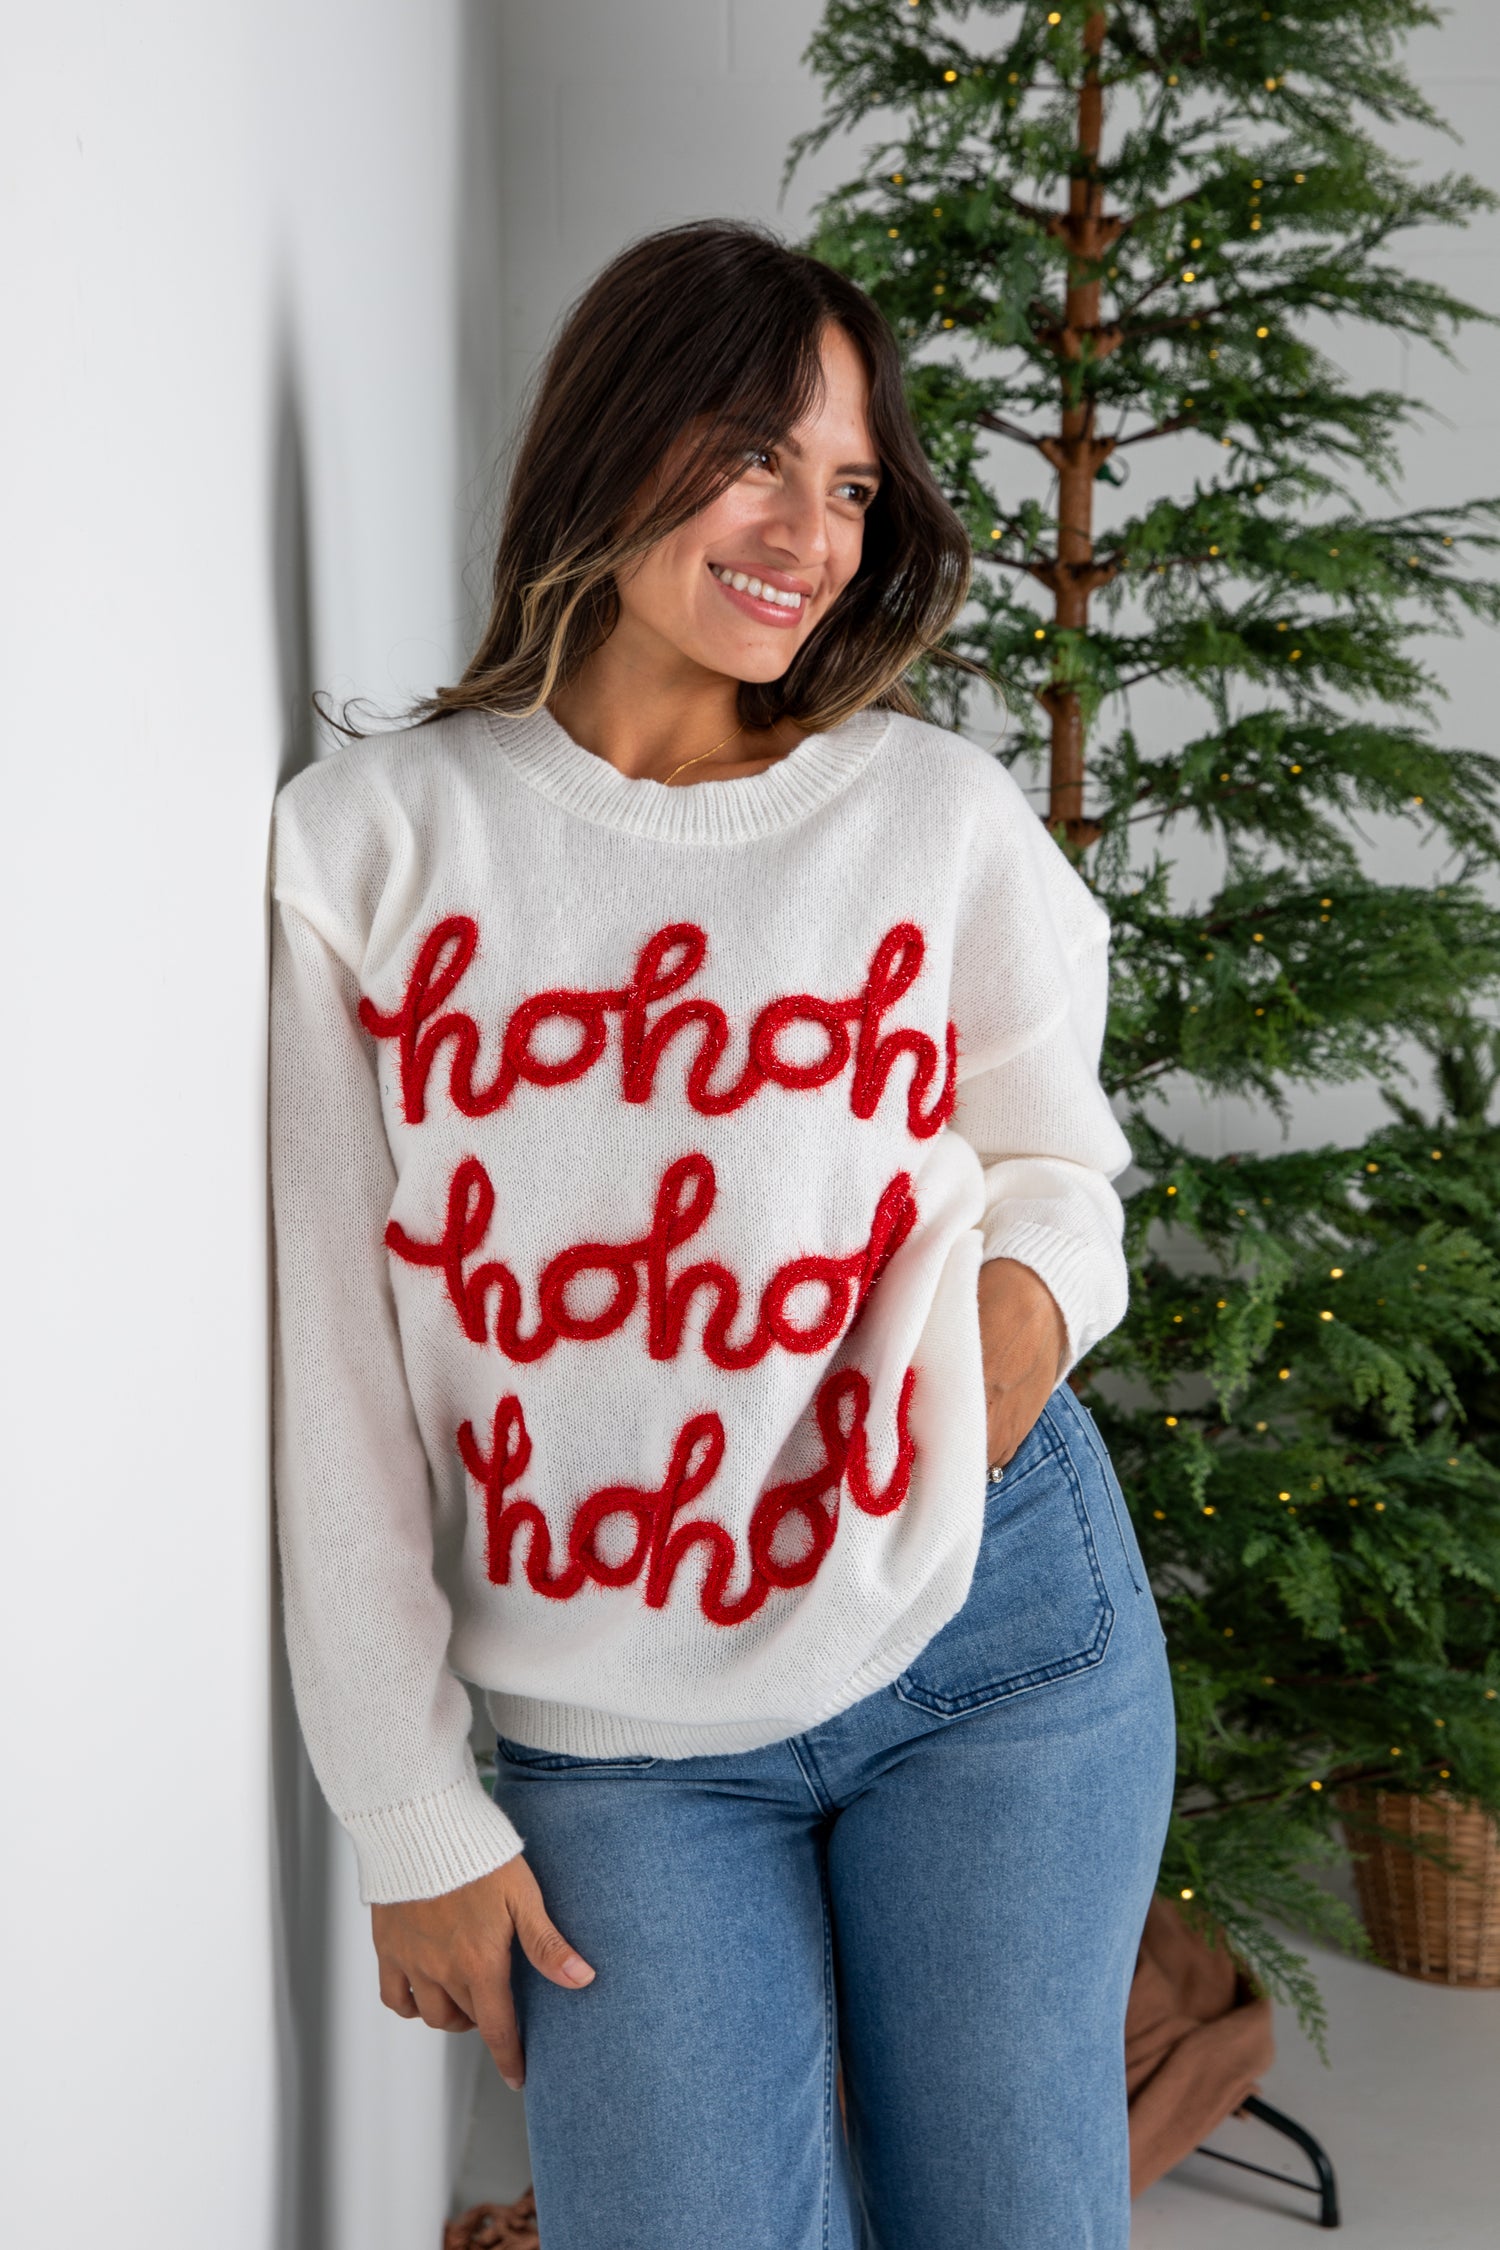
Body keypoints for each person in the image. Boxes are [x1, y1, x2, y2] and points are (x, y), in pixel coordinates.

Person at [269, 219, 1175, 2250]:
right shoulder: (376, 849)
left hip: (994, 1645)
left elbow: (1054, 1168)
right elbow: (333, 1383)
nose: (809, 532)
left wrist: (994, 1366)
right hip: (620, 1753)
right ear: (613, 437)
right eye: (757, 454)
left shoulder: (928, 820)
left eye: (852, 486)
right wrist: (409, 1812)